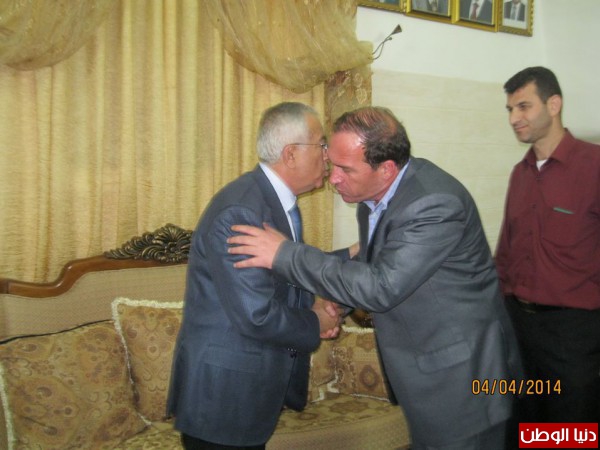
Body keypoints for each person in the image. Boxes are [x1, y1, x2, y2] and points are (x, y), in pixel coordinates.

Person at [228, 106, 522, 450]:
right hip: (428, 375)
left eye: (345, 169)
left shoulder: (434, 204)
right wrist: (337, 304)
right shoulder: (374, 198)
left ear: (386, 169)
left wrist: (284, 254)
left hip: (462, 382)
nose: (333, 178)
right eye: (332, 163)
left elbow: (382, 286)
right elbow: (374, 264)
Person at [166, 102, 341, 450]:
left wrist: (347, 263)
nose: (328, 157)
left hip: (244, 391)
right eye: (322, 145)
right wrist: (315, 321)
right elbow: (256, 314)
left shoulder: (269, 201)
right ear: (291, 154)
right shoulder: (242, 211)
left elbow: (283, 278)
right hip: (224, 400)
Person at [495, 67, 600, 430]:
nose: (514, 118)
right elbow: (506, 253)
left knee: (570, 431)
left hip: (574, 333)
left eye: (524, 106)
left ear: (553, 105)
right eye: (510, 109)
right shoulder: (520, 173)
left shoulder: (593, 165)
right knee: (524, 425)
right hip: (519, 326)